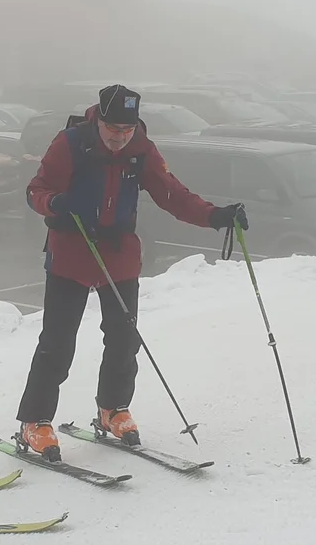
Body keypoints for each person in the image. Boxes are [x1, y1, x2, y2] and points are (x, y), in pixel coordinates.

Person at [15, 84, 244, 460]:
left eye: (127, 130)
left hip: (118, 253)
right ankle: (34, 421)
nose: (121, 138)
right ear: (99, 121)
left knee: (123, 338)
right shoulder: (70, 144)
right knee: (57, 342)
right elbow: (36, 190)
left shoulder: (141, 149)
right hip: (73, 251)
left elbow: (170, 192)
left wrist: (215, 215)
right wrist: (55, 203)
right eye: (114, 130)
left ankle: (113, 410)